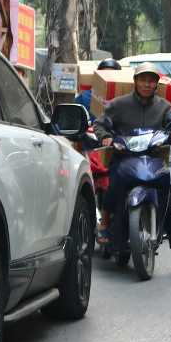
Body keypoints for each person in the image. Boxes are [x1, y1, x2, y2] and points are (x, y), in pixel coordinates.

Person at [94, 62, 171, 273]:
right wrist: (106, 138)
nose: (147, 84)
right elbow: (100, 123)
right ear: (135, 81)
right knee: (114, 183)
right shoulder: (118, 104)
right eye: (143, 79)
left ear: (156, 84)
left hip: (154, 159)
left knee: (168, 207)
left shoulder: (164, 107)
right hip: (125, 157)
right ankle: (104, 223)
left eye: (151, 80)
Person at [75, 59, 121, 247]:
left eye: (113, 73)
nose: (108, 76)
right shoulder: (85, 98)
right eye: (105, 72)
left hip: (119, 149)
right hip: (91, 149)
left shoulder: (126, 97)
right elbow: (75, 119)